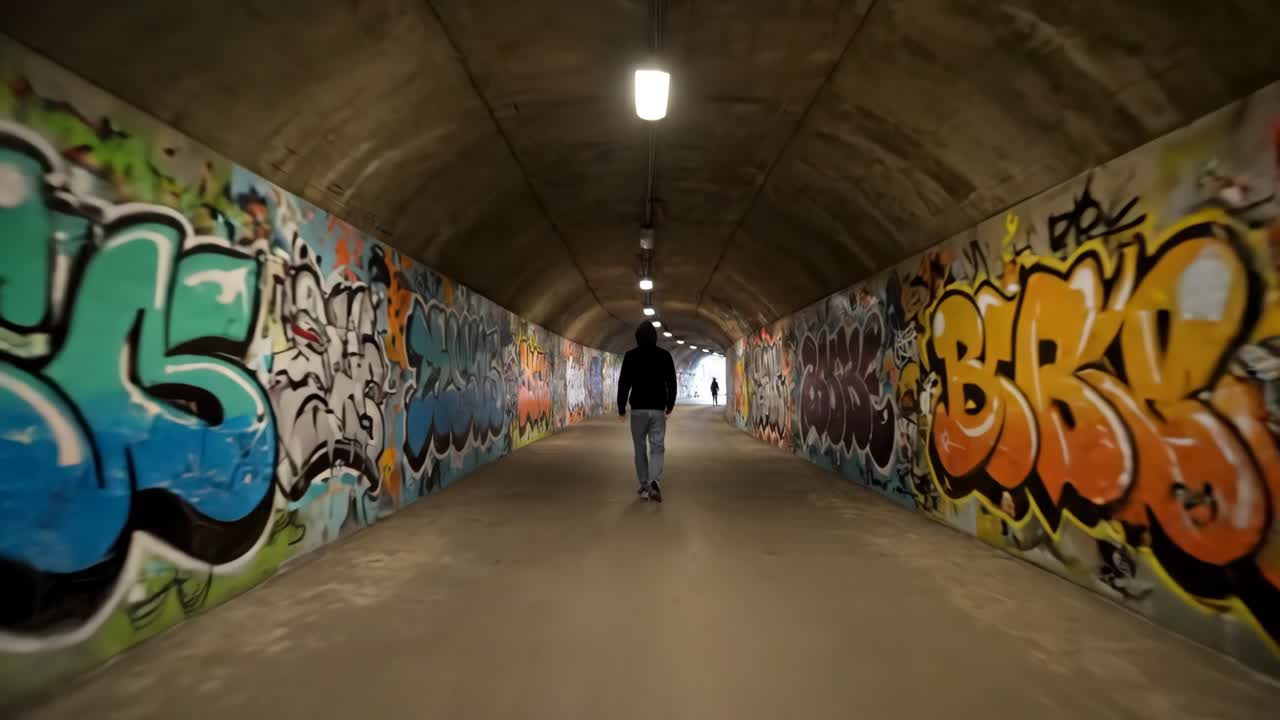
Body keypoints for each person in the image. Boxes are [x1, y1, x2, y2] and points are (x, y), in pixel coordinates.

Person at [617, 320, 677, 502]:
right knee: (657, 447)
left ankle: (645, 485)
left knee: (640, 448)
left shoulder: (630, 356)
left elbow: (624, 383)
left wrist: (621, 407)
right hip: (658, 410)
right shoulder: (664, 356)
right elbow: (672, 383)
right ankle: (653, 481)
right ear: (655, 337)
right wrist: (670, 405)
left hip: (638, 410)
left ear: (637, 337)